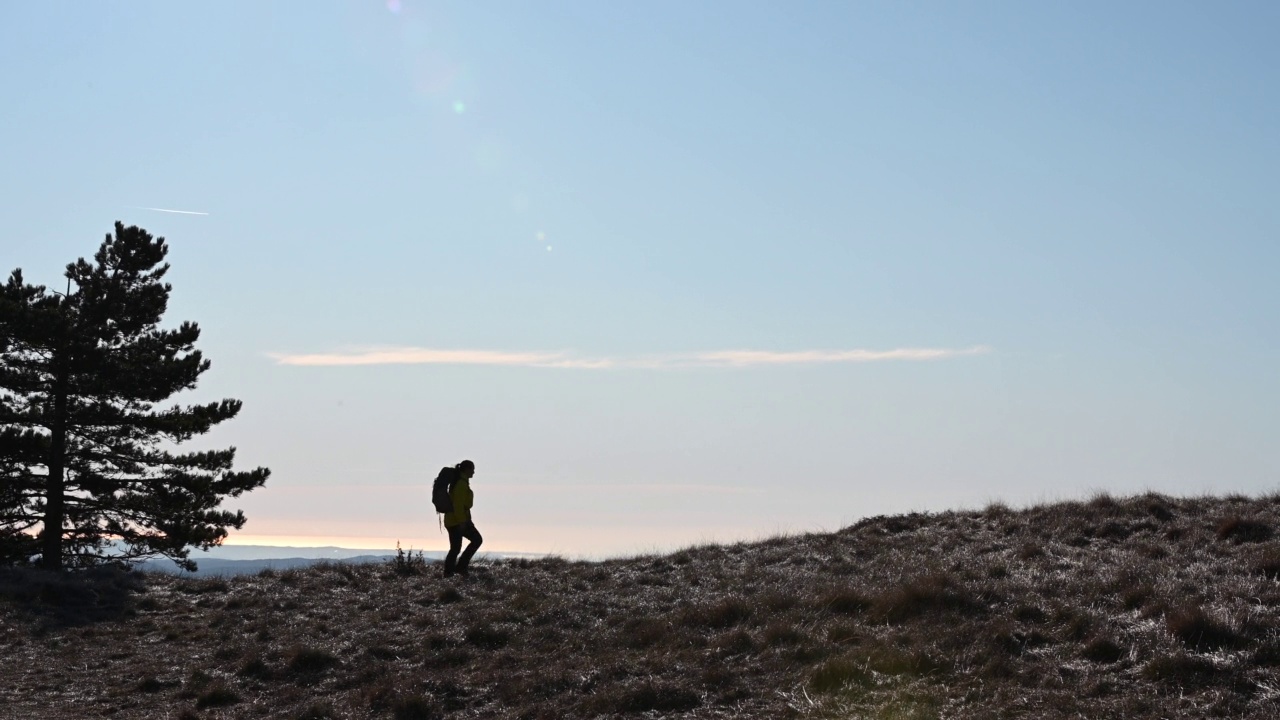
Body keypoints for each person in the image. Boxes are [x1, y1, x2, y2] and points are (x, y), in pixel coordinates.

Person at [442, 459, 482, 578]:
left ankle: (450, 573)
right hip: (457, 521)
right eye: (472, 469)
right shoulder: (461, 484)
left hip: (453, 520)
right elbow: (458, 505)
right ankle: (458, 569)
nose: (474, 472)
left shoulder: (460, 482)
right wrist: (462, 522)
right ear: (466, 469)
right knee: (476, 540)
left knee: (455, 548)